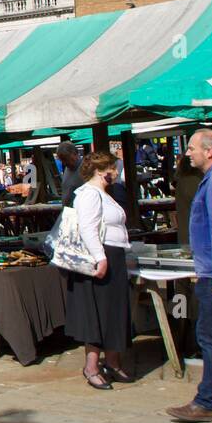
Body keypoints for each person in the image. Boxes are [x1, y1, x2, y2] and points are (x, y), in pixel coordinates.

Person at [166, 130, 212, 422]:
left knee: (210, 337)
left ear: (209, 152)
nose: (187, 153)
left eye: (191, 148)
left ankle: (205, 402)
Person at [65, 151, 132, 391]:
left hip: (114, 255)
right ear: (103, 170)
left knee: (114, 311)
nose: (117, 171)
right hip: (101, 257)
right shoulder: (89, 194)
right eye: (114, 167)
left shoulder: (106, 193)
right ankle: (91, 366)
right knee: (98, 313)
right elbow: (88, 228)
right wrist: (100, 258)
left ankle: (113, 362)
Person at [57, 142, 84, 206]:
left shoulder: (86, 169)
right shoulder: (67, 169)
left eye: (66, 159)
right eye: (62, 160)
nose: (64, 163)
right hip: (68, 212)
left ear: (75, 154)